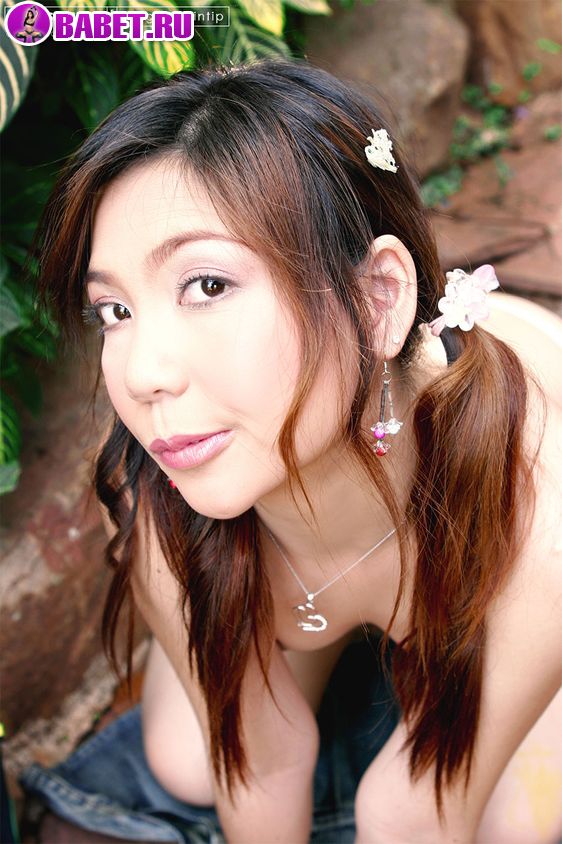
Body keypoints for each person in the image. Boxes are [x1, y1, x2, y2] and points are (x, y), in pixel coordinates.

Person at [28, 57, 562, 843]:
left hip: (479, 519)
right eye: (114, 310)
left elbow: (418, 818)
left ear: (377, 298)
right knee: (191, 762)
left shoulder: (539, 513)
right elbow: (261, 768)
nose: (141, 375)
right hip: (302, 532)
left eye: (207, 285)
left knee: (504, 823)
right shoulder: (157, 493)